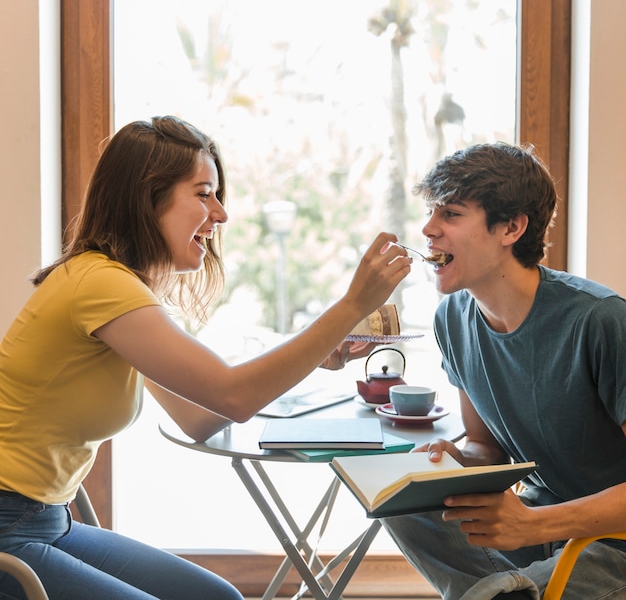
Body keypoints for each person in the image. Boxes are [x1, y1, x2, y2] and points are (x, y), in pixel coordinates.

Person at [0, 115, 412, 600]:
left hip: (46, 520)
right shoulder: (100, 285)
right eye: (203, 193)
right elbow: (234, 396)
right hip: (11, 527)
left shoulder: (119, 289)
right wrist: (350, 307)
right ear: (146, 199)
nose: (221, 214)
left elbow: (200, 416)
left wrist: (318, 354)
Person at [382, 142, 626, 599]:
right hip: (539, 529)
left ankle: (504, 591)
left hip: (612, 541)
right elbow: (484, 446)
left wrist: (531, 524)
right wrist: (454, 464)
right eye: (432, 212)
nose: (427, 229)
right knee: (402, 505)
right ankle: (508, 590)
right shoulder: (452, 319)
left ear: (511, 228)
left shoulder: (600, 320)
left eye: (451, 214)